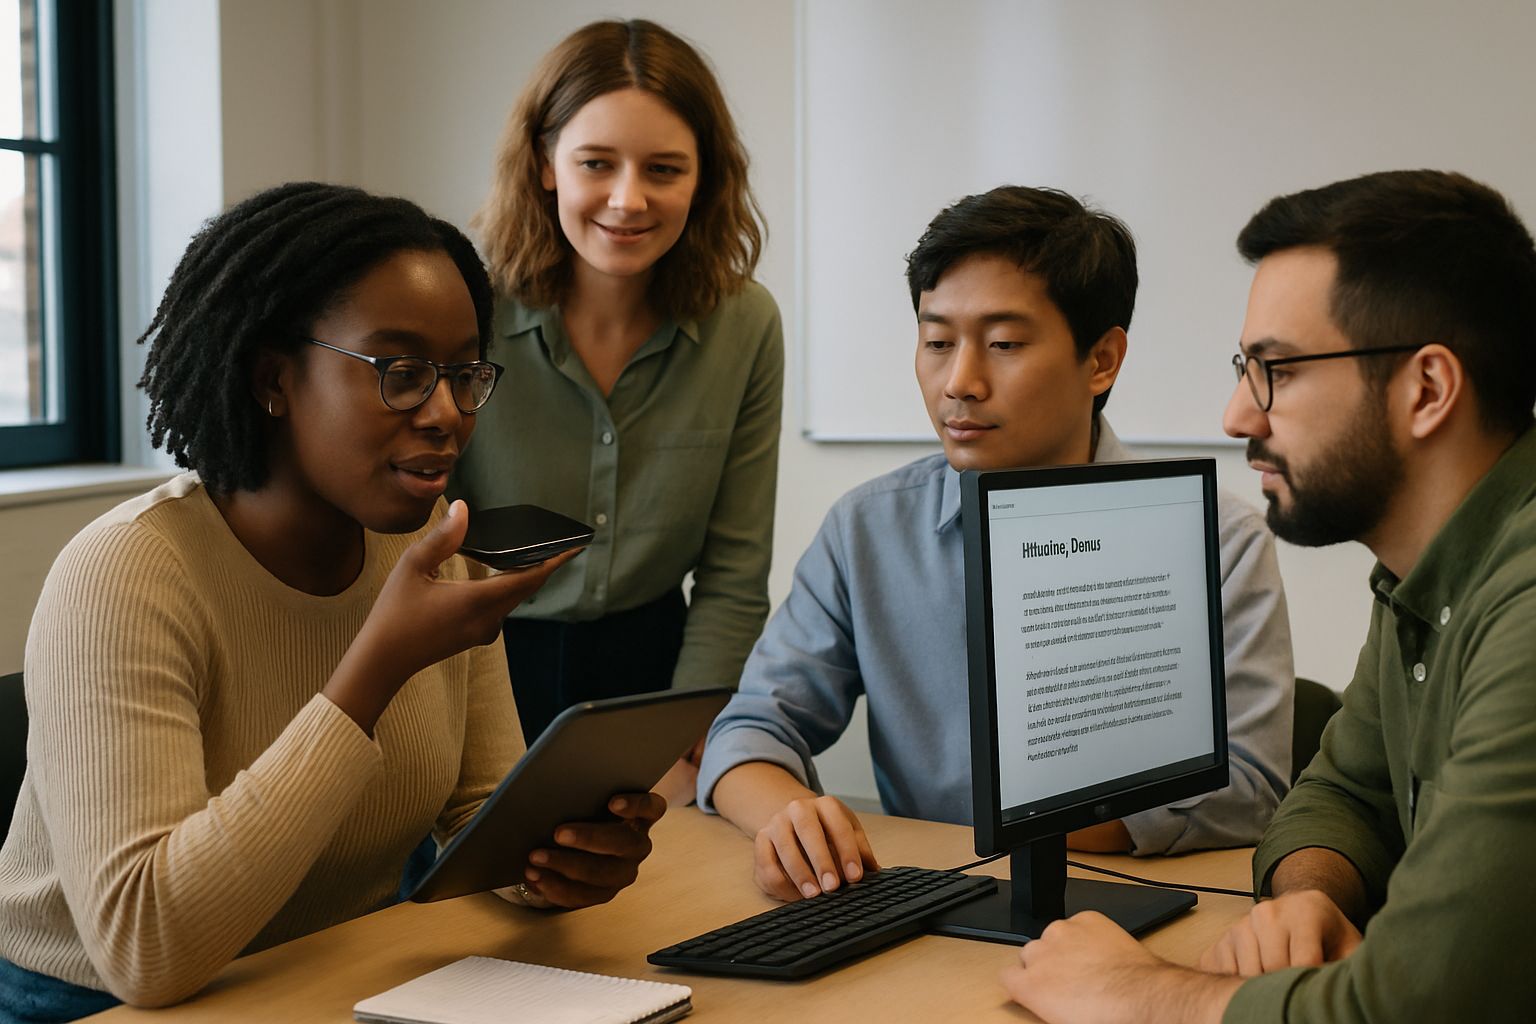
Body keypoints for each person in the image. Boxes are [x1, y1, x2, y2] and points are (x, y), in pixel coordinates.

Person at [0, 183, 664, 1020]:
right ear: (274, 378)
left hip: (330, 968)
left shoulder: (432, 556)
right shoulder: (125, 575)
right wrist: (375, 668)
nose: (447, 413)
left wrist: (556, 866)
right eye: (403, 373)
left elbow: (475, 824)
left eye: (463, 375)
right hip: (92, 1003)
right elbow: (146, 949)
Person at [1001, 169, 1536, 1023]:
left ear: (1427, 390)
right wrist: (1310, 897)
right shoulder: (1424, 575)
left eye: (1276, 370)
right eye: (1244, 368)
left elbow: (1413, 1007)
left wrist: (1133, 992)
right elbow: (1338, 796)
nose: (1236, 414)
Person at [699, 186, 1294, 902]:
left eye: (1005, 344)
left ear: (1101, 360)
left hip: (1124, 904)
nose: (960, 383)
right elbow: (752, 727)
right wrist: (786, 817)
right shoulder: (867, 530)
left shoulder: (1217, 542)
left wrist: (1019, 831)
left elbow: (1251, 787)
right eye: (937, 342)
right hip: (928, 908)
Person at [450, 19, 783, 792]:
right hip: (477, 662)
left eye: (664, 168)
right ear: (544, 164)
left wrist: (687, 719)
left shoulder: (747, 324)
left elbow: (735, 572)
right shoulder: (466, 308)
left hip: (658, 670)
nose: (628, 200)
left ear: (705, 179)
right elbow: (416, 545)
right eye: (596, 163)